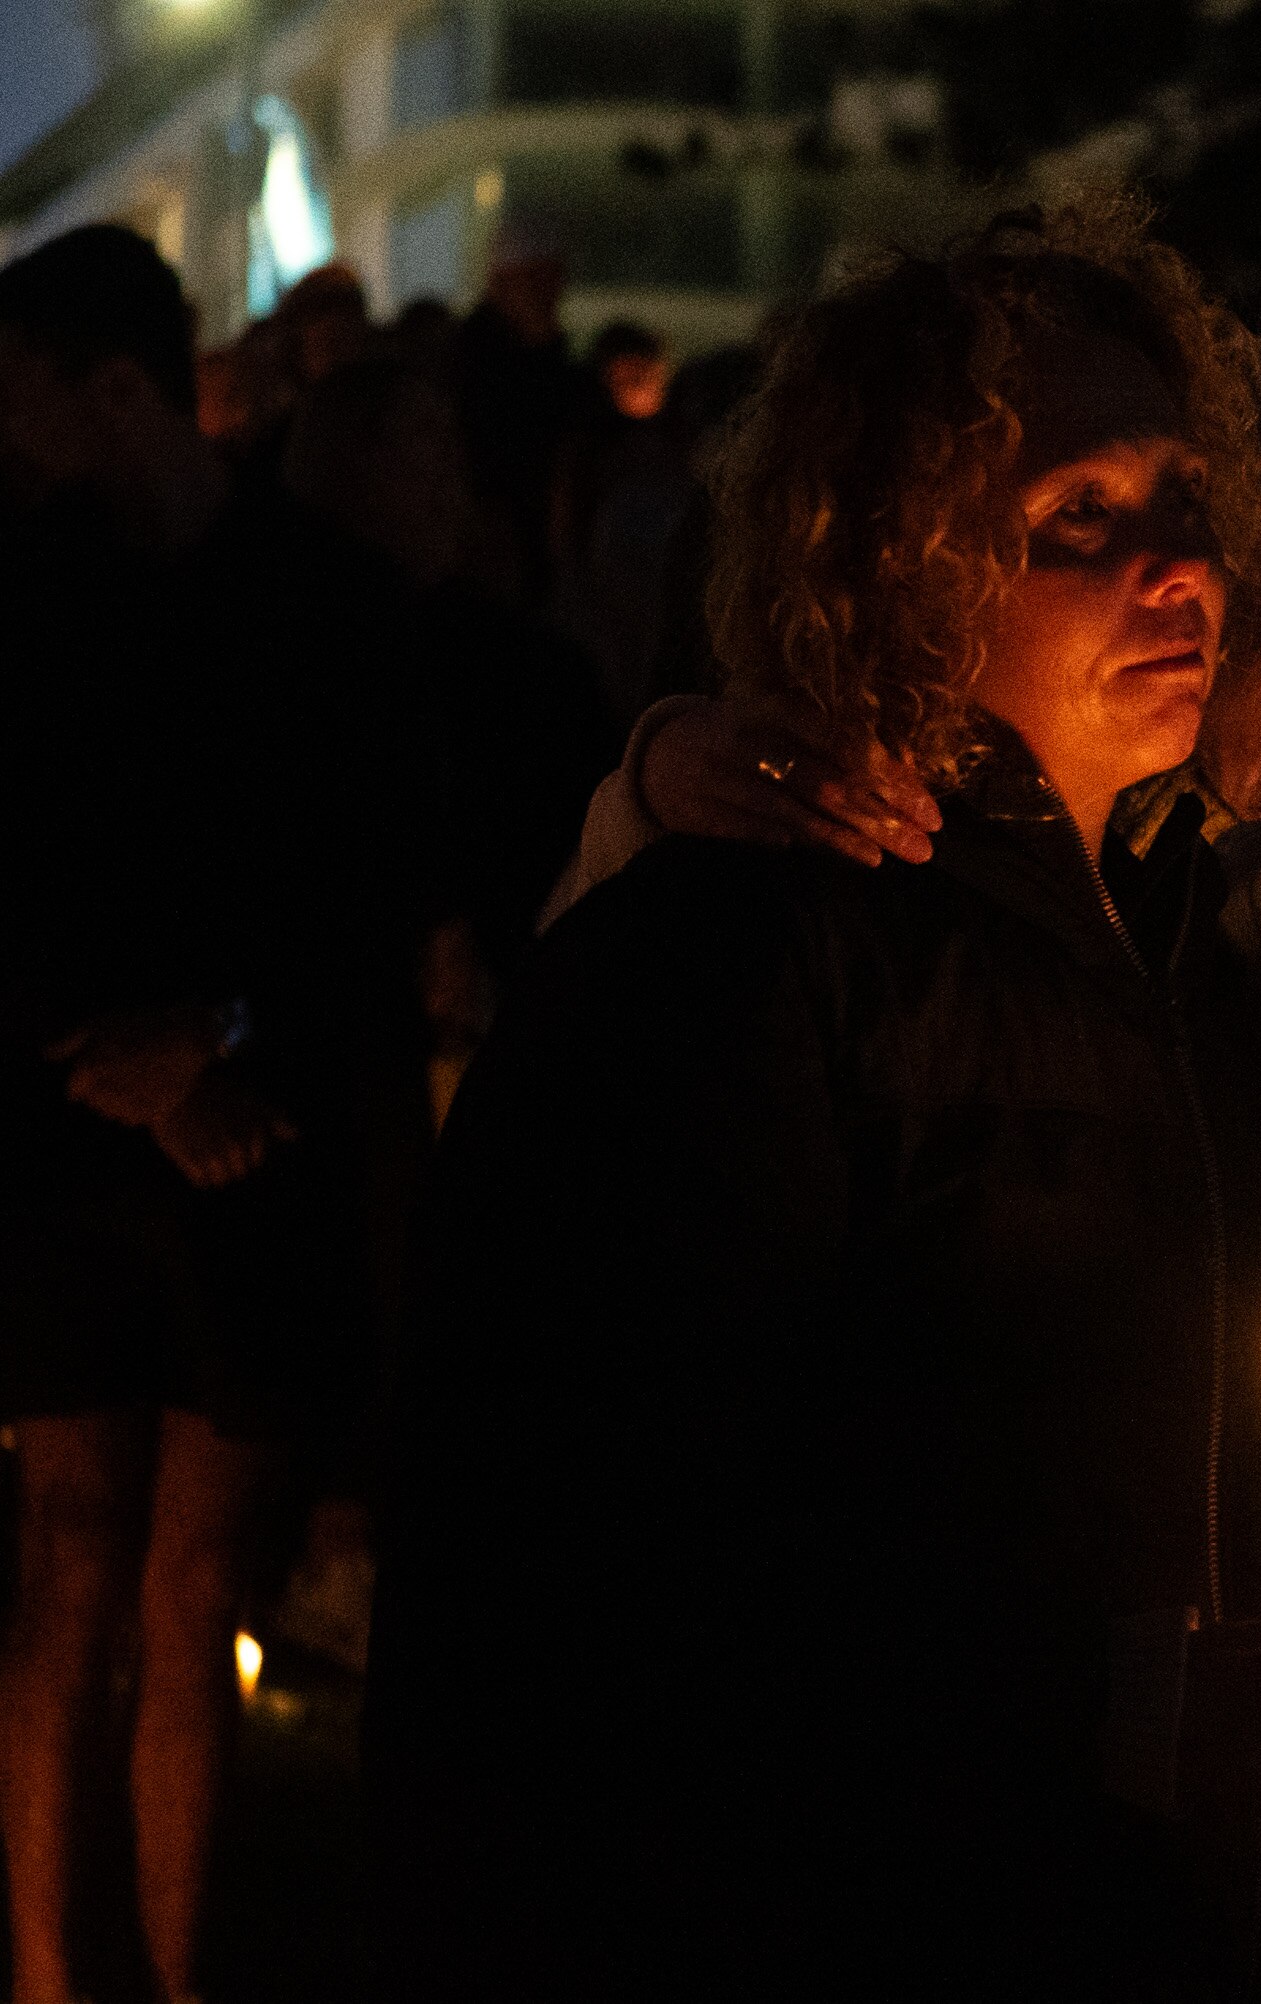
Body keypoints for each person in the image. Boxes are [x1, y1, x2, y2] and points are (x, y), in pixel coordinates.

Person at [367, 207, 1261, 2001]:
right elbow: (601, 1558)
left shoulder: (1186, 963)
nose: (1178, 567)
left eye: (1185, 499)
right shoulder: (728, 962)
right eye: (1081, 518)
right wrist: (1128, 1696)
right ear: (898, 565)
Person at [0, 224, 394, 2004]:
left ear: (115, 386)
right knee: (77, 1548)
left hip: (242, 1135)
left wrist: (216, 1045)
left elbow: (349, 894)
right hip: (87, 1130)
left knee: (188, 1567)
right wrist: (126, 1055)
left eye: (25, 386)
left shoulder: (311, 597)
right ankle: (49, 1969)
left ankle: (171, 1973)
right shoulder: (27, 589)